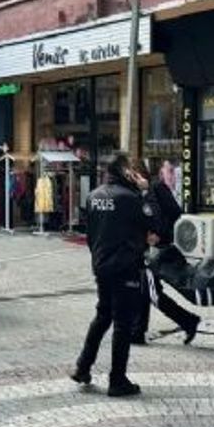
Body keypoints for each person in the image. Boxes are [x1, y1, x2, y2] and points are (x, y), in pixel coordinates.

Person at [71, 152, 158, 398]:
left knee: (103, 315)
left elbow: (90, 234)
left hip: (101, 264)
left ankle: (83, 366)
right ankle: (117, 379)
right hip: (125, 266)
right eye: (131, 169)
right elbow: (154, 224)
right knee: (123, 323)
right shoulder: (130, 198)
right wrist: (145, 191)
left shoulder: (94, 196)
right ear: (124, 171)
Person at [132, 161, 200, 345]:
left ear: (142, 174)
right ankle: (187, 321)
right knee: (146, 290)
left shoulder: (157, 188)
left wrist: (160, 234)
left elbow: (175, 213)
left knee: (150, 292)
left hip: (159, 249)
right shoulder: (134, 194)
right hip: (143, 249)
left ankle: (186, 320)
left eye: (134, 175)